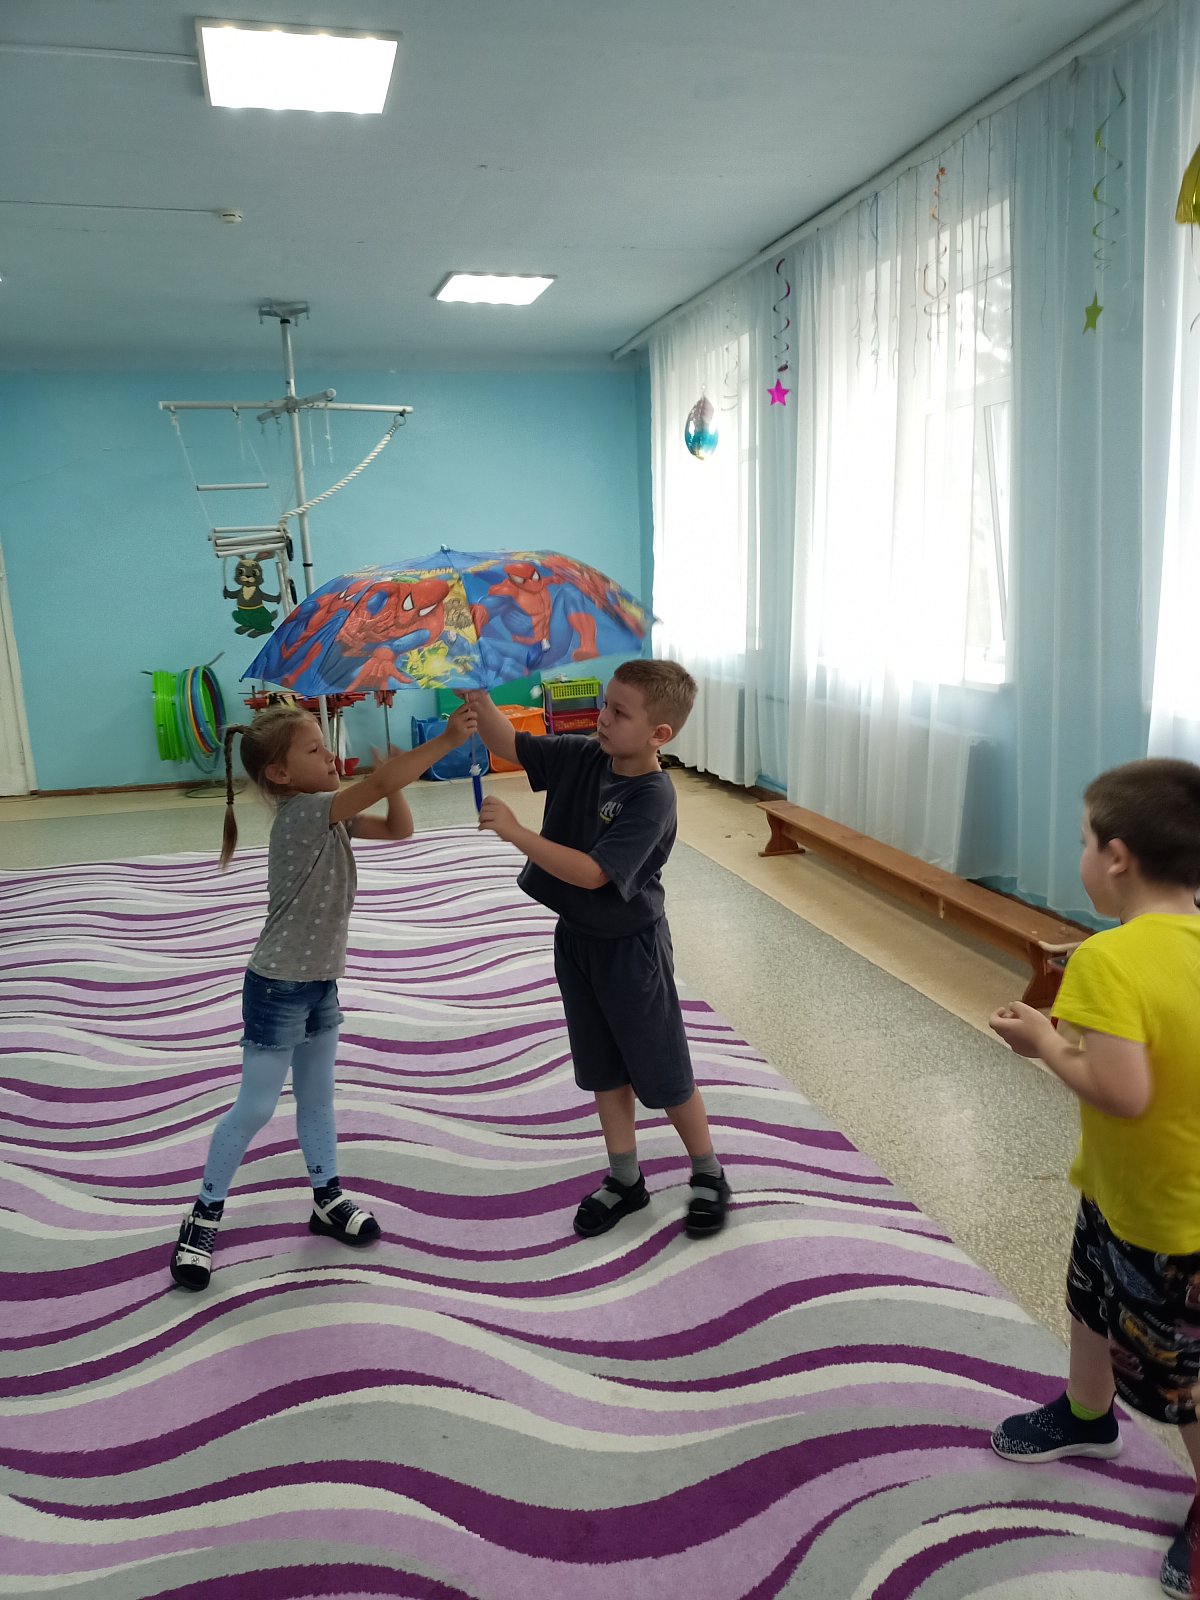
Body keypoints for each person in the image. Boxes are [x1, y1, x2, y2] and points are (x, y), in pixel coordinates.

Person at [169, 699, 477, 1291]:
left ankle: (326, 1197)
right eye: (315, 749)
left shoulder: (330, 815)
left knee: (317, 1100)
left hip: (318, 983)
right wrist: (443, 742)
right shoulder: (304, 813)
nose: (331, 756)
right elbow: (378, 784)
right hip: (278, 986)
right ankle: (203, 1213)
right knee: (256, 1106)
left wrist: (393, 784)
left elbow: (400, 829)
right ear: (280, 774)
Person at [988, 757, 1200, 1598]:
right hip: (1126, 1191)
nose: (1079, 855)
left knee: (1182, 1380)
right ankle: (1086, 1412)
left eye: (1083, 841)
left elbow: (1121, 1092)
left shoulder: (1109, 960)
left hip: (1160, 1216)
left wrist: (1044, 1041)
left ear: (1116, 858)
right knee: (1088, 1301)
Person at [465, 660, 731, 1239]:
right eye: (605, 704)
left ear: (659, 734)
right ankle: (625, 1178)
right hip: (577, 942)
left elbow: (592, 874)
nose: (603, 718)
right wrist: (478, 696)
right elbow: (509, 743)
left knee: (662, 1069)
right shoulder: (584, 755)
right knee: (603, 1068)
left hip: (632, 952)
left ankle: (708, 1171)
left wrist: (516, 833)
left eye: (619, 712)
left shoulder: (653, 796)